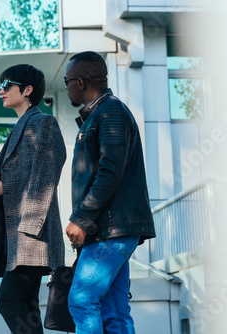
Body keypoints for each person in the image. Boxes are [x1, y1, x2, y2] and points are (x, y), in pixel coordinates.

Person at [64, 51, 156, 334]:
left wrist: (81, 218)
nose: (65, 86)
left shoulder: (111, 111)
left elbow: (110, 172)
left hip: (111, 228)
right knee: (114, 310)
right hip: (106, 228)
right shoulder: (99, 115)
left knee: (82, 300)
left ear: (80, 82)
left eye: (67, 81)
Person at [0, 64, 66, 334]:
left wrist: (4, 187)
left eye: (7, 85)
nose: (1, 91)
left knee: (8, 300)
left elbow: (46, 175)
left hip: (32, 234)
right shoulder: (22, 126)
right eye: (0, 86)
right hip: (20, 236)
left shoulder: (43, 122)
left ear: (27, 90)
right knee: (26, 304)